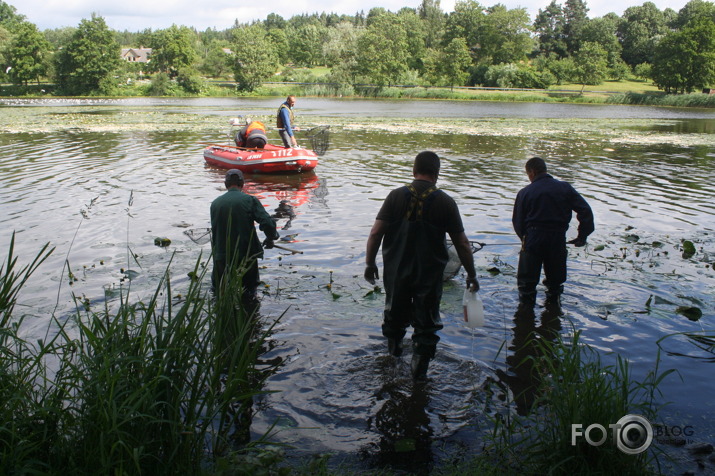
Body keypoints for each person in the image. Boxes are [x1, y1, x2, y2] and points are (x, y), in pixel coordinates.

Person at [364, 151, 479, 381]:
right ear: (437, 174)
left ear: (414, 170)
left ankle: (393, 356)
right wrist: (472, 274)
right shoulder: (446, 202)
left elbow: (376, 233)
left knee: (394, 316)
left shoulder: (395, 196)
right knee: (426, 325)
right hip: (430, 275)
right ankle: (419, 371)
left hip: (397, 273)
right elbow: (463, 244)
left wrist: (370, 263)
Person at [512, 157, 594, 308]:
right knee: (555, 283)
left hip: (533, 239)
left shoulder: (525, 192)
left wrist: (525, 238)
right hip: (557, 239)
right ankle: (553, 314)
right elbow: (585, 211)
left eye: (528, 174)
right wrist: (582, 236)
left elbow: (518, 221)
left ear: (532, 172)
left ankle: (525, 316)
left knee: (527, 285)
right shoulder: (565, 188)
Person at [210, 169, 279, 299]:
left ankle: (221, 316)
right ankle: (249, 316)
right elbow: (268, 224)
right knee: (249, 293)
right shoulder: (249, 200)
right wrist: (270, 238)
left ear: (226, 184)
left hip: (221, 255)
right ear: (242, 183)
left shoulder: (215, 203)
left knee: (218, 292)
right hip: (245, 255)